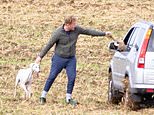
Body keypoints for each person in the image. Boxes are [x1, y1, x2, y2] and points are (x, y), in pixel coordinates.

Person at [35, 15, 112, 105]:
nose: (75, 25)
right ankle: (43, 96)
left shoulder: (76, 30)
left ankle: (68, 98)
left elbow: (88, 31)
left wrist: (104, 34)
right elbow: (49, 45)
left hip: (71, 59)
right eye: (73, 24)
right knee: (52, 76)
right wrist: (40, 57)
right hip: (59, 58)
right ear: (67, 24)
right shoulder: (58, 33)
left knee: (72, 77)